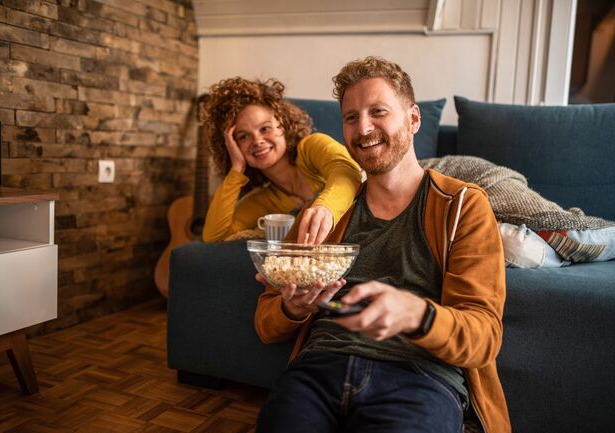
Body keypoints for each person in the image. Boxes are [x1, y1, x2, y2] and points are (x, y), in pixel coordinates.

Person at [254, 57, 511, 433]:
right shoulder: (324, 215)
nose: (364, 128)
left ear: (413, 119)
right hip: (320, 368)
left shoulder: (462, 205)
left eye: (378, 111)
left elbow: (483, 336)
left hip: (421, 377)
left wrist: (415, 314)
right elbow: (265, 322)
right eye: (351, 117)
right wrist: (291, 308)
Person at [201, 77, 362, 244]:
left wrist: (325, 209)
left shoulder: (312, 146)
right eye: (243, 136)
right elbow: (214, 237)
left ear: (283, 125)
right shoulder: (261, 200)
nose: (257, 140)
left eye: (265, 128)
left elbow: (348, 171)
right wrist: (236, 167)